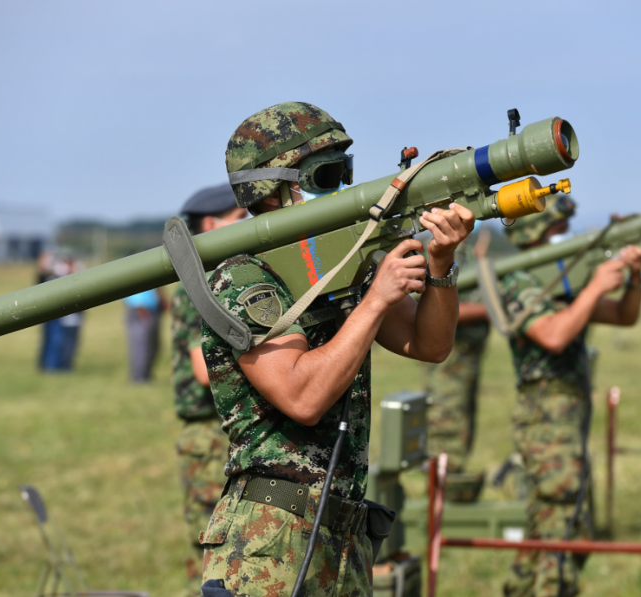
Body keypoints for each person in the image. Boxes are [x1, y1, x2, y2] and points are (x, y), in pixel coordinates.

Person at [198, 102, 473, 597]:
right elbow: (302, 395)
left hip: (344, 535)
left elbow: (429, 344)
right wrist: (376, 298)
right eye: (326, 176)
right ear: (275, 190)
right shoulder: (243, 277)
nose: (343, 188)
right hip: (271, 542)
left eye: (345, 171)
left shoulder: (339, 263)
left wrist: (441, 266)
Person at [500, 196, 641, 597]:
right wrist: (596, 286)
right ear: (534, 231)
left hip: (568, 415)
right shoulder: (518, 281)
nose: (565, 237)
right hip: (544, 415)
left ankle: (519, 588)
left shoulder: (565, 282)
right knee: (561, 517)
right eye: (558, 230)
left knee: (556, 518)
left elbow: (623, 315)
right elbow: (553, 335)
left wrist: (634, 277)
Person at [171, 183, 247, 595]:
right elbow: (205, 371)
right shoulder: (196, 284)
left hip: (226, 430)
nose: (248, 225)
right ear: (211, 225)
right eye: (240, 219)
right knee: (211, 547)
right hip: (209, 432)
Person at [419, 238, 490, 502]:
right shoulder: (437, 249)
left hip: (467, 358)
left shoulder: (469, 250)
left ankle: (451, 489)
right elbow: (438, 307)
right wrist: (489, 310)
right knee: (446, 425)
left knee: (462, 425)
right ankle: (441, 497)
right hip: (449, 361)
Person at [124, 285, 166, 382]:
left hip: (154, 308)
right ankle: (139, 378)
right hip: (140, 309)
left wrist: (162, 299)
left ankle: (146, 376)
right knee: (141, 346)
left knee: (153, 345)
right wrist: (138, 304)